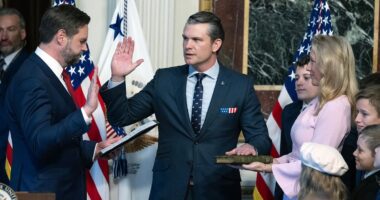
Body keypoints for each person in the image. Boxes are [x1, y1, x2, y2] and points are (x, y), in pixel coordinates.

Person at [100, 11, 270, 199]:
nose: (188, 46)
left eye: (197, 40)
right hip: (168, 190)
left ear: (216, 44)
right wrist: (117, 77)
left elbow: (261, 137)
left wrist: (251, 147)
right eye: (185, 38)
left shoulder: (240, 86)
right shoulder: (164, 79)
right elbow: (121, 117)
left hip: (219, 190)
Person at [4, 5, 120, 200]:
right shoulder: (32, 79)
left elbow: (57, 138)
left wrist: (94, 149)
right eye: (82, 41)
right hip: (43, 192)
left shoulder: (49, 73)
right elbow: (40, 142)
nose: (85, 48)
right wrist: (85, 112)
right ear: (61, 37)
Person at [243, 35, 358, 199]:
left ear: (328, 64)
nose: (309, 68)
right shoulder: (319, 102)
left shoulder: (337, 106)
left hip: (315, 193)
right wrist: (268, 162)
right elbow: (296, 155)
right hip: (300, 189)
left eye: (312, 61)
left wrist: (272, 168)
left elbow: (317, 164)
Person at [0, 8, 30, 184]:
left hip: (13, 164)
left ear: (23, 33)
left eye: (10, 29)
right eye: (0, 30)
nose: (3, 36)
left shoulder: (30, 67)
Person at [280, 55, 319, 156]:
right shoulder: (288, 112)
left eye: (306, 78)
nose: (299, 83)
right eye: (297, 78)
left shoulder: (330, 109)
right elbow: (285, 154)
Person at [352, 124, 380, 200]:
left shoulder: (373, 189)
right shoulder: (364, 173)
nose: (354, 153)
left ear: (377, 153)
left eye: (360, 150)